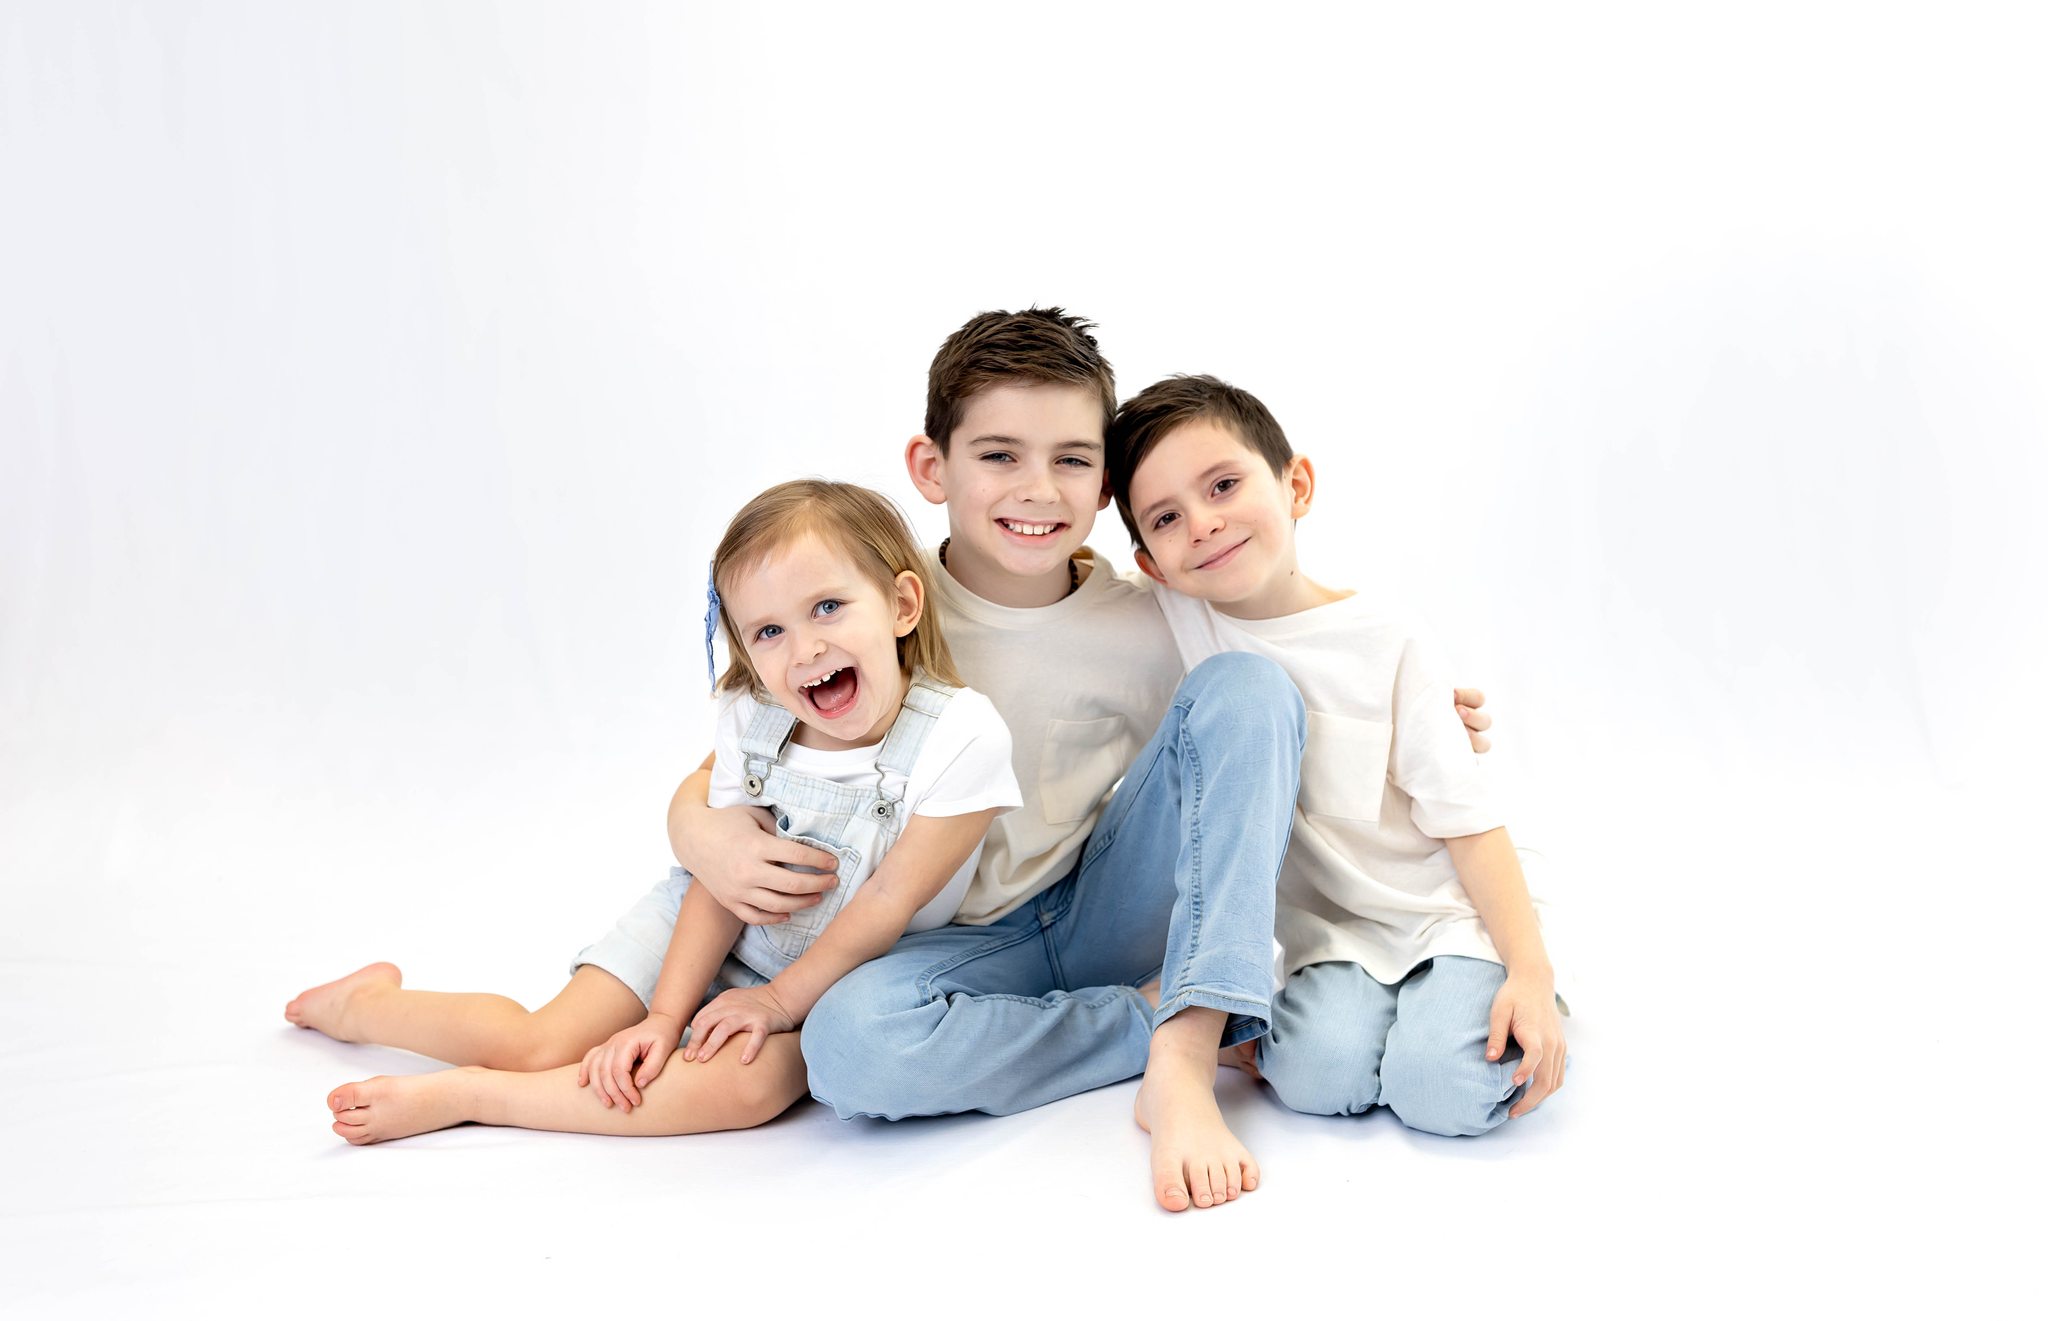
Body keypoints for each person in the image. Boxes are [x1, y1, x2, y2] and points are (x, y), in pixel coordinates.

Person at [667, 309, 1494, 1211]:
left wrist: (1410, 704)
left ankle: (1184, 1050)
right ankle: (1143, 1021)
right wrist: (695, 828)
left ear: (1105, 485)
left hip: (1103, 906)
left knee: (1247, 685)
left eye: (1071, 459)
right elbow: (760, 749)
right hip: (948, 944)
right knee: (850, 1049)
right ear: (931, 468)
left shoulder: (1149, 616)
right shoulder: (875, 602)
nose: (1038, 489)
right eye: (999, 456)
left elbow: (1264, 711)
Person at [295, 479, 1020, 1143]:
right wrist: (663, 1016)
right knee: (543, 1039)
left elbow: (887, 903)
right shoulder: (753, 716)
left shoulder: (961, 736)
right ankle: (365, 1005)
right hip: (700, 922)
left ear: (901, 604)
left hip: (834, 966)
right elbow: (718, 875)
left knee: (757, 1084)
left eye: (828, 606)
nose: (806, 647)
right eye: (768, 631)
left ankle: (478, 1097)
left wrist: (774, 1002)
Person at [1105, 373, 1566, 1136]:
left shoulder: (1389, 638)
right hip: (1329, 941)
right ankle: (1329, 1029)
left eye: (1223, 484)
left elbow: (1469, 823)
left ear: (1297, 485)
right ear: (1151, 562)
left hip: (1446, 916)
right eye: (1166, 517)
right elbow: (1057, 584)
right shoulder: (1185, 620)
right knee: (1317, 1075)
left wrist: (1529, 968)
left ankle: (1499, 1004)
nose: (1204, 524)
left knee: (1443, 1087)